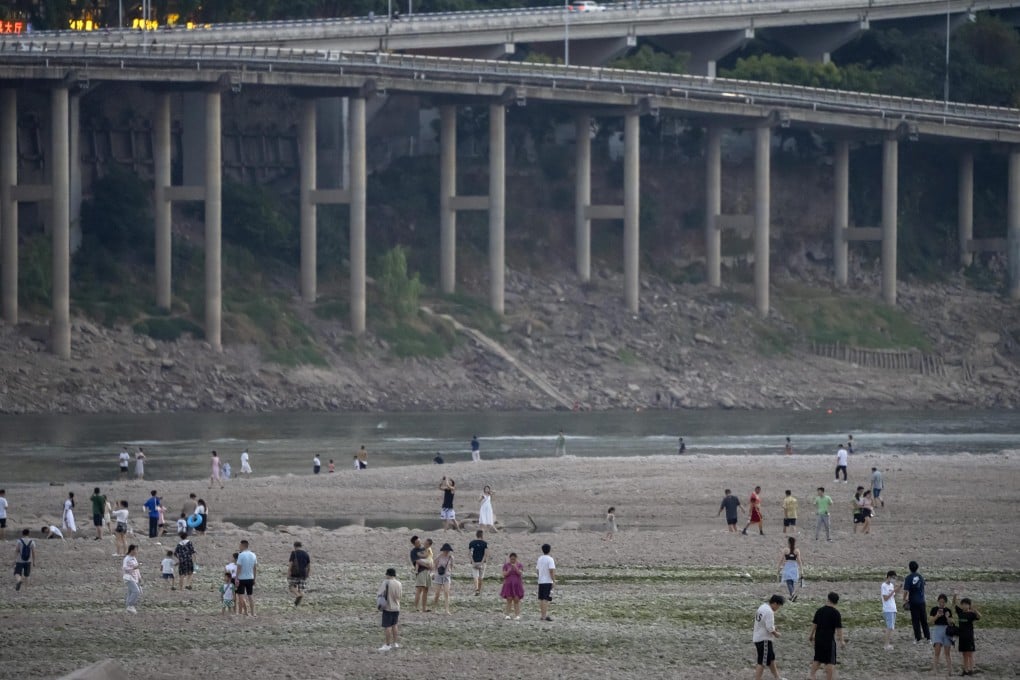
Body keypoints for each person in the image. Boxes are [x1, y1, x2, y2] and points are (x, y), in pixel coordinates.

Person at [809, 592, 846, 680]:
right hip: (829, 640)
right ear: (836, 602)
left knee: (817, 658)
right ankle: (829, 678)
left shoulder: (820, 610)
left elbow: (814, 624)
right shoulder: (836, 613)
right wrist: (842, 640)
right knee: (830, 661)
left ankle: (811, 675)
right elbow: (839, 628)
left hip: (818, 638)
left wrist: (811, 635)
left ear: (828, 599)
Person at [752, 594, 785, 680]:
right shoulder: (769, 611)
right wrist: (776, 633)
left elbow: (765, 623)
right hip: (764, 639)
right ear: (775, 603)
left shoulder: (762, 606)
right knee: (762, 661)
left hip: (757, 637)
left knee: (771, 659)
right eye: (779, 606)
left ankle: (777, 677)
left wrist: (773, 628)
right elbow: (769, 628)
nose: (778, 608)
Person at [903, 560, 930, 644]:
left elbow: (906, 591)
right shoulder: (921, 577)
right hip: (922, 601)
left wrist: (904, 599)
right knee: (924, 620)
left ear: (909, 568)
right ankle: (928, 638)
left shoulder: (908, 578)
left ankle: (918, 638)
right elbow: (923, 587)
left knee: (915, 620)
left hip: (913, 602)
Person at [953, 593, 981, 676]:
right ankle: (965, 670)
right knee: (964, 654)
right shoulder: (960, 612)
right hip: (961, 637)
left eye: (966, 604)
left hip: (969, 637)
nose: (964, 606)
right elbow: (954, 603)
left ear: (969, 605)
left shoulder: (971, 614)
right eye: (963, 604)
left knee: (970, 654)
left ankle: (971, 670)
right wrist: (955, 596)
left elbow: (979, 617)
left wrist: (975, 610)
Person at [929, 593, 955, 675]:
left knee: (947, 652)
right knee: (937, 651)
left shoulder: (948, 610)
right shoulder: (934, 609)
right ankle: (935, 670)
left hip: (947, 630)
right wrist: (937, 615)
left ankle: (950, 670)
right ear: (938, 601)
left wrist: (947, 617)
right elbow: (931, 621)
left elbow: (951, 623)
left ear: (945, 602)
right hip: (937, 629)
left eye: (943, 602)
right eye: (940, 602)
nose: (941, 604)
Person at [377, 567, 402, 651]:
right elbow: (399, 596)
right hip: (397, 607)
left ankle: (387, 644)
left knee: (387, 626)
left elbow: (380, 593)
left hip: (388, 607)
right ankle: (395, 643)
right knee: (395, 625)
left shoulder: (386, 583)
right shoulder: (399, 583)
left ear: (388, 574)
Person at [236, 539, 258, 617]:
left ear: (243, 545)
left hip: (242, 578)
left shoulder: (241, 555)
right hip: (250, 577)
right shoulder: (253, 555)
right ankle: (253, 612)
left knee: (241, 595)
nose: (239, 547)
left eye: (240, 545)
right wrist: (254, 578)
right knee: (250, 595)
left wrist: (236, 578)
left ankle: (241, 612)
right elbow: (255, 568)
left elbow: (239, 567)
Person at [501, 552, 525, 620]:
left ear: (516, 559)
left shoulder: (519, 565)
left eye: (514, 559)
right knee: (509, 599)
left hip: (517, 584)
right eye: (511, 559)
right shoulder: (506, 565)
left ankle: (517, 615)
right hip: (508, 584)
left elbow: (520, 573)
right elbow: (504, 574)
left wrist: (515, 568)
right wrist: (509, 570)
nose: (512, 561)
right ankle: (507, 615)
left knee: (516, 599)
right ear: (509, 559)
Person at [431, 543, 454, 614]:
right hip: (439, 576)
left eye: (448, 550)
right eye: (445, 550)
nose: (447, 552)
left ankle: (447, 610)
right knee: (437, 593)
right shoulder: (439, 557)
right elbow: (434, 564)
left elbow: (452, 565)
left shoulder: (451, 557)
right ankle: (434, 608)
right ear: (443, 550)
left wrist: (450, 571)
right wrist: (435, 572)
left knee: (446, 593)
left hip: (447, 576)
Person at [409, 535, 430, 612]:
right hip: (420, 571)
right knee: (419, 589)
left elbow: (429, 557)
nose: (419, 543)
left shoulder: (424, 548)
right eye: (417, 542)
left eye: (419, 541)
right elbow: (417, 561)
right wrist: (427, 565)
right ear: (414, 544)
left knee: (426, 590)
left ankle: (424, 608)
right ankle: (415, 607)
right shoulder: (413, 552)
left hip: (427, 571)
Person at [777, 536, 802, 601]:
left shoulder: (786, 550)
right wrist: (802, 570)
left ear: (788, 542)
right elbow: (799, 561)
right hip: (794, 567)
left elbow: (781, 559)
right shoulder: (797, 550)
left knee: (789, 582)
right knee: (791, 582)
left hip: (787, 566)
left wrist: (778, 568)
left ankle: (792, 594)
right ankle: (792, 596)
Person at [536, 543, 556, 622]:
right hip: (547, 581)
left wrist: (540, 577)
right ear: (549, 550)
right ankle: (544, 616)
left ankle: (542, 615)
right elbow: (551, 570)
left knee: (541, 598)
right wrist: (553, 580)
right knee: (545, 599)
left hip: (541, 581)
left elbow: (537, 570)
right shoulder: (550, 559)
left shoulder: (540, 558)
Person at [288, 541, 311, 606]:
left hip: (295, 573)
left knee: (291, 586)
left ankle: (297, 595)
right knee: (301, 589)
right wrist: (308, 574)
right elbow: (309, 565)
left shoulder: (293, 553)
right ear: (301, 546)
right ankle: (298, 604)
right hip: (303, 574)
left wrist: (289, 572)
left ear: (295, 546)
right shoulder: (306, 554)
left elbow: (291, 564)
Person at [881, 570, 899, 650]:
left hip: (893, 608)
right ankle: (886, 645)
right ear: (888, 577)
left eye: (895, 578)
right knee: (889, 627)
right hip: (888, 609)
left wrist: (897, 589)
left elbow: (893, 596)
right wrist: (894, 590)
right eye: (893, 578)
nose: (894, 579)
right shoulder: (884, 585)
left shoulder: (891, 585)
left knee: (891, 627)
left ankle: (887, 644)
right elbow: (885, 598)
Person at [122, 544, 142, 613]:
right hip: (128, 578)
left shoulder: (134, 558)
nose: (137, 552)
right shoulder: (127, 558)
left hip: (134, 578)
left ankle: (128, 608)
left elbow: (137, 569)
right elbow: (125, 568)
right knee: (136, 591)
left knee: (130, 592)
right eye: (136, 550)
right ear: (132, 550)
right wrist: (133, 568)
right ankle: (130, 605)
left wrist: (139, 577)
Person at [468, 530, 488, 596]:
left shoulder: (472, 543)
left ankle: (476, 589)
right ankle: (479, 590)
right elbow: (485, 554)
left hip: (474, 561)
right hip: (482, 562)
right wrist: (482, 563)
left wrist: (473, 562)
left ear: (476, 535)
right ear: (482, 535)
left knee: (475, 577)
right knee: (481, 577)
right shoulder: (485, 543)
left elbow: (470, 553)